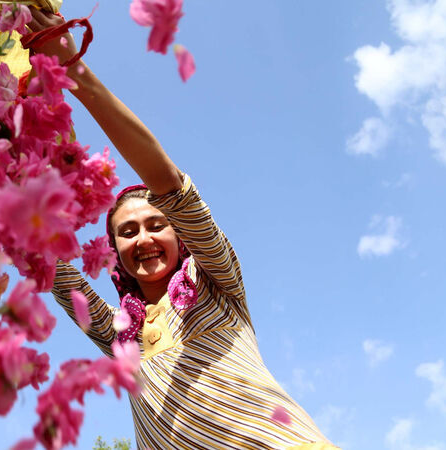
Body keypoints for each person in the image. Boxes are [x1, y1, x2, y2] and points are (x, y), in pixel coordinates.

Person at [27, 8, 337, 449]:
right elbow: (50, 265)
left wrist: (74, 71)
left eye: (157, 225)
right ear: (115, 253)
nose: (144, 239)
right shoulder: (118, 334)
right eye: (128, 232)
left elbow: (169, 184)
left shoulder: (216, 282)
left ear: (181, 237)